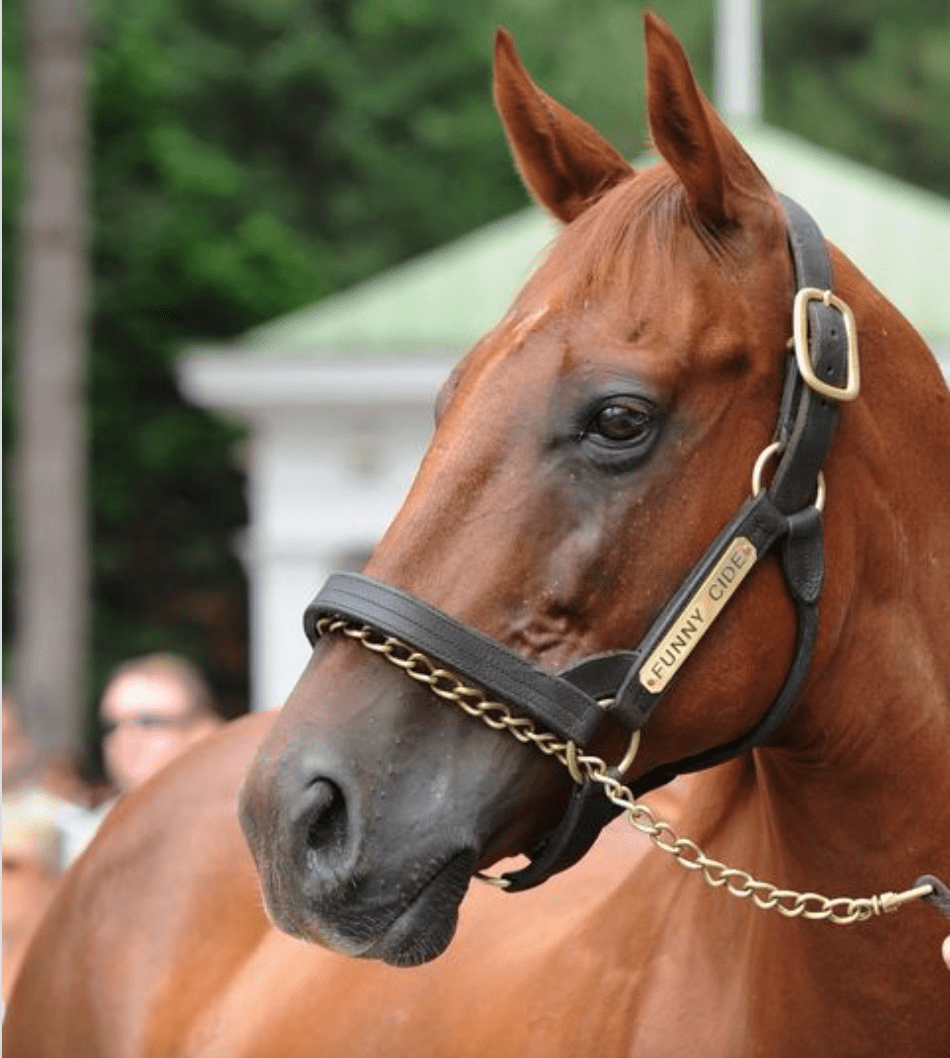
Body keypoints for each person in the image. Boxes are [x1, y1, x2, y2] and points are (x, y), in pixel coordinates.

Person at [97, 652, 223, 797]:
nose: (123, 738)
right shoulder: (90, 819)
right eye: (110, 727)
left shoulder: (240, 816)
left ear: (203, 732)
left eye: (148, 721)